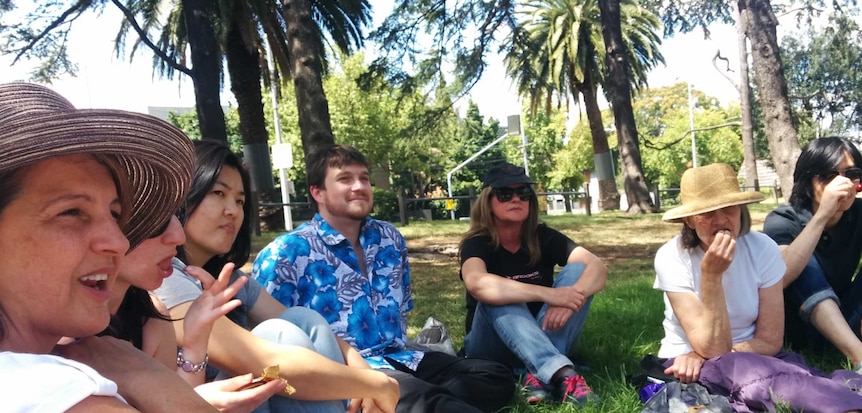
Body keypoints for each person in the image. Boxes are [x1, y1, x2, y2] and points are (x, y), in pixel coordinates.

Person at [0, 81, 215, 411]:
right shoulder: (52, 391)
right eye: (71, 212)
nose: (119, 241)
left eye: (115, 214)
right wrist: (150, 380)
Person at [253, 145, 515, 413]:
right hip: (345, 372)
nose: (359, 186)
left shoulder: (389, 239)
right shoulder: (286, 253)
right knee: (428, 401)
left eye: (364, 178)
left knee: (493, 377)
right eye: (345, 179)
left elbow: (401, 309)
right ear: (317, 192)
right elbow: (271, 339)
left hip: (402, 358)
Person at [154, 139, 399, 413]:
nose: (233, 211)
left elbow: (307, 325)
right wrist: (370, 384)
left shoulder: (230, 279)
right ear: (182, 196)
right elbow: (261, 358)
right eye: (217, 193)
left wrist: (368, 375)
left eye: (240, 200)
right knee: (277, 334)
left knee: (301, 318)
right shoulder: (163, 277)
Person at [654, 163, 862, 412]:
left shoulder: (763, 249)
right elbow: (712, 347)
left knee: (786, 374)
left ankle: (845, 396)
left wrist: (721, 353)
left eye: (729, 209)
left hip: (753, 355)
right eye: (707, 213)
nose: (720, 220)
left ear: (741, 210)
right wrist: (711, 277)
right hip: (687, 363)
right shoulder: (671, 257)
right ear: (689, 219)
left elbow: (770, 339)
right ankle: (846, 403)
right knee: (771, 381)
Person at [457, 162, 606, 406]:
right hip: (489, 349)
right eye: (505, 194)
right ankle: (563, 374)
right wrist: (550, 295)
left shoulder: (542, 236)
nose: (516, 199)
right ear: (488, 201)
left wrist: (570, 300)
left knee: (580, 271)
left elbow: (597, 267)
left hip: (539, 335)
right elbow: (476, 283)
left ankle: (536, 374)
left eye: (523, 193)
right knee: (496, 291)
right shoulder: (477, 243)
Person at [106, 214, 286, 410]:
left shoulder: (151, 317)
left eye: (240, 200)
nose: (178, 235)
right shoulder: (70, 336)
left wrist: (195, 343)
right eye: (157, 219)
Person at [763, 137, 862, 369]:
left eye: (851, 173)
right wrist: (823, 214)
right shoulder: (783, 219)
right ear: (808, 181)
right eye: (828, 175)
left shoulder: (858, 213)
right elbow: (781, 276)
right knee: (801, 263)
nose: (842, 183)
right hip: (799, 326)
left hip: (845, 318)